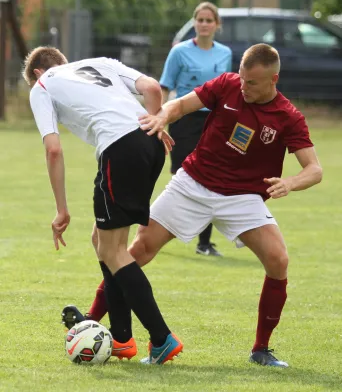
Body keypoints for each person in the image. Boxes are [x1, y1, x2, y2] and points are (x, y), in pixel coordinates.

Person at [63, 43, 323, 367]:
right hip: (193, 184)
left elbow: (314, 169)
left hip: (242, 198)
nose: (243, 87)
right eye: (242, 79)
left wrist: (290, 183)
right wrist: (161, 117)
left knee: (278, 259)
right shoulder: (227, 85)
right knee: (136, 251)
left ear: (274, 79)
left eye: (252, 83)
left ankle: (261, 349)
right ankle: (94, 320)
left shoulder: (288, 116)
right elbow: (181, 105)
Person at [23, 46, 183, 365]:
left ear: (38, 73)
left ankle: (162, 338)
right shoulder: (99, 63)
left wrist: (61, 209)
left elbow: (53, 150)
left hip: (119, 148)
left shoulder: (42, 85)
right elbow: (152, 87)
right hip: (150, 141)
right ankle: (122, 338)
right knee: (103, 241)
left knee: (113, 251)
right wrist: (157, 124)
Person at [161, 2, 232, 256]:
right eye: (199, 20)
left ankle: (204, 243)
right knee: (182, 178)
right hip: (183, 120)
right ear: (194, 23)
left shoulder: (225, 53)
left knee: (211, 178)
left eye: (208, 20)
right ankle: (156, 231)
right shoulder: (179, 52)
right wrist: (158, 119)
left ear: (217, 24)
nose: (204, 24)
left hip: (214, 121)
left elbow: (227, 91)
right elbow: (164, 86)